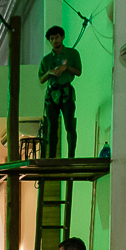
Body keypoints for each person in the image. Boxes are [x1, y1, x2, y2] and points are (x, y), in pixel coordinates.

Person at [38, 25, 82, 158]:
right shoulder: (46, 59)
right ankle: (52, 158)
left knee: (69, 124)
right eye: (51, 39)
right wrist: (50, 72)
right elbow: (41, 79)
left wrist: (66, 67)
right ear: (49, 41)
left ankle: (71, 156)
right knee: (52, 128)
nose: (54, 41)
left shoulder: (72, 54)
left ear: (62, 37)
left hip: (66, 91)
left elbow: (79, 72)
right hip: (51, 94)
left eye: (57, 37)